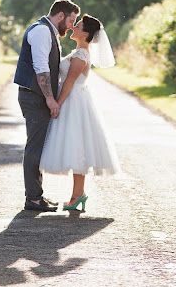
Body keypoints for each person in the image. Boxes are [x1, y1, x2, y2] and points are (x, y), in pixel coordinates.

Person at [39, 14, 120, 211]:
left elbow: (69, 82)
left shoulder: (82, 54)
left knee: (77, 147)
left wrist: (56, 103)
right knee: (76, 147)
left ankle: (77, 196)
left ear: (85, 33)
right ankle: (78, 195)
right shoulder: (79, 51)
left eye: (79, 25)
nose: (74, 26)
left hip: (74, 102)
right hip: (74, 100)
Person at [14, 0, 80, 212]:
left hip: (36, 96)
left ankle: (36, 196)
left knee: (39, 146)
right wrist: (50, 99)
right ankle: (32, 199)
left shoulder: (48, 30)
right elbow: (41, 67)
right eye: (71, 20)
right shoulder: (42, 31)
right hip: (34, 96)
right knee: (34, 146)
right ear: (60, 15)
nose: (71, 26)